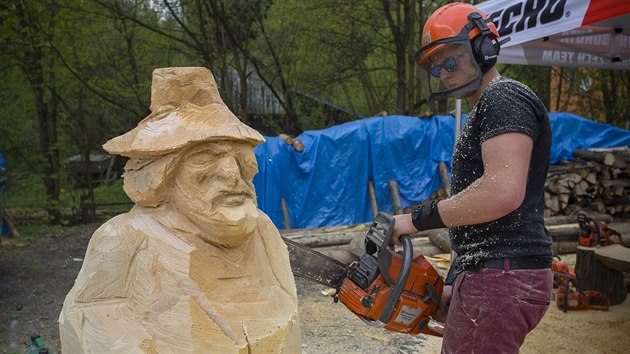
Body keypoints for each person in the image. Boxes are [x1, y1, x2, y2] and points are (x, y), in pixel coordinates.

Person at [59, 67, 301, 353]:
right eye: (204, 157)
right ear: (163, 175)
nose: (231, 174)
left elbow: (288, 313)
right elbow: (88, 322)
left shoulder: (262, 231)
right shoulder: (123, 236)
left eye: (239, 157)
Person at [390, 3, 553, 353]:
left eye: (450, 61)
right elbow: (480, 212)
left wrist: (414, 220)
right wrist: (456, 277)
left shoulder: (504, 97)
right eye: (437, 69)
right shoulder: (485, 107)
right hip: (491, 271)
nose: (445, 74)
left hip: (502, 274)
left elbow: (501, 192)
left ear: (483, 47)